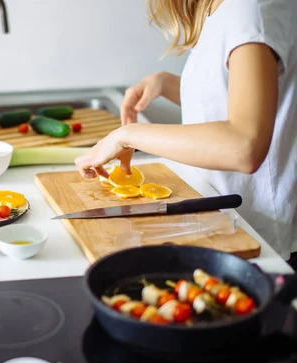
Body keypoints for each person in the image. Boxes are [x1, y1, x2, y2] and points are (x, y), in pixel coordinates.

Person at [75, 0, 297, 266]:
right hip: (227, 223)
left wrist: (127, 134)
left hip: (263, 242)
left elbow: (244, 146)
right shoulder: (227, 8)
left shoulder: (250, 11)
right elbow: (230, 102)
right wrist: (166, 83)